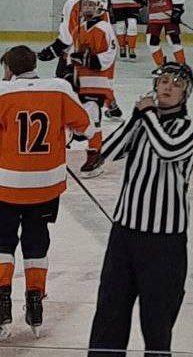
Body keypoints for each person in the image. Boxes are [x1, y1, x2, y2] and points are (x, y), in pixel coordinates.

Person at [87, 62, 193, 357]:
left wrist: (147, 114)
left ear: (185, 94)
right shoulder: (143, 124)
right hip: (124, 234)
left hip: (165, 241)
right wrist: (135, 118)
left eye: (176, 84)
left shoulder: (187, 128)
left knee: (157, 322)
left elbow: (168, 150)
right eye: (163, 81)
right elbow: (107, 153)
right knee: (109, 314)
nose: (167, 87)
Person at [0, 45, 92, 339]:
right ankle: (35, 299)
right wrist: (67, 133)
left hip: (7, 184)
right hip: (46, 184)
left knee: (2, 242)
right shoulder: (60, 88)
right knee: (36, 238)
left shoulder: (2, 92)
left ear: (9, 69)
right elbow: (86, 127)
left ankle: (2, 301)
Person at [39, 0, 117, 173]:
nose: (86, 8)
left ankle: (94, 155)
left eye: (91, 5)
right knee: (75, 120)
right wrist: (68, 70)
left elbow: (109, 55)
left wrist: (89, 60)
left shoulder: (105, 28)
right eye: (85, 5)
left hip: (96, 84)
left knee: (91, 120)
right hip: (79, 82)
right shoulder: (78, 29)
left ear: (101, 8)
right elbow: (71, 54)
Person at [137, 0, 185, 68]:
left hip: (169, 15)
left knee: (173, 40)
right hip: (154, 16)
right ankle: (161, 66)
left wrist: (177, 11)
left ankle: (182, 65)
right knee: (151, 41)